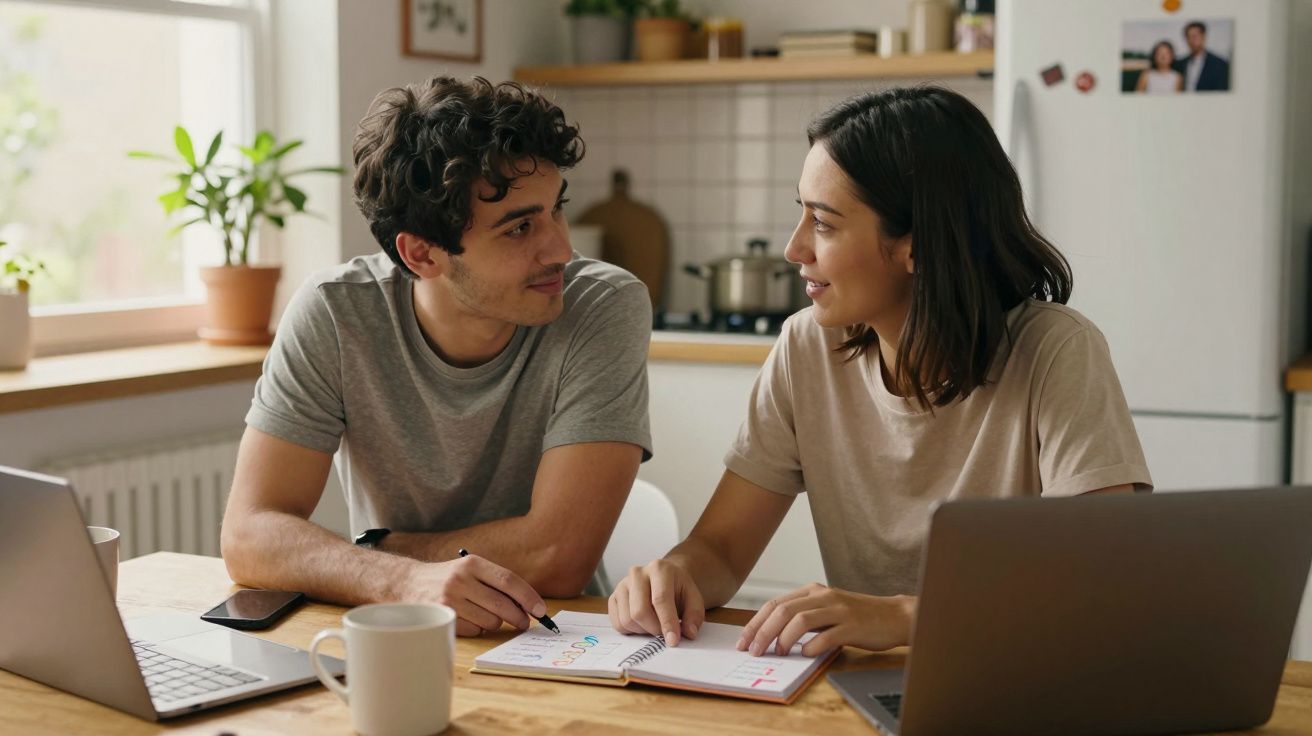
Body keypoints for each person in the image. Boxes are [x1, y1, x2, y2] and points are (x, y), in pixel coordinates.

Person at [608, 86, 1153, 657]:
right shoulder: (807, 346)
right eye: (801, 214)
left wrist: (901, 615)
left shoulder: (1057, 352)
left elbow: (1097, 580)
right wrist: (673, 575)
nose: (794, 248)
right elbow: (720, 550)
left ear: (915, 247)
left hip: (1020, 675)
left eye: (823, 224)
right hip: (866, 684)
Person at [221, 76, 654, 637]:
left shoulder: (602, 305)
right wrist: (402, 580)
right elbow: (248, 536)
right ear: (422, 254)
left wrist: (377, 553)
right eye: (521, 228)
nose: (561, 250)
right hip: (396, 631)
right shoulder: (336, 312)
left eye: (557, 210)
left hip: (548, 634)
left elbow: (558, 556)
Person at [1176, 21, 1230, 92]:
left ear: (1203, 37)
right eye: (1188, 37)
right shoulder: (1180, 63)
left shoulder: (1219, 64)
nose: (1191, 40)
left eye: (1194, 36)